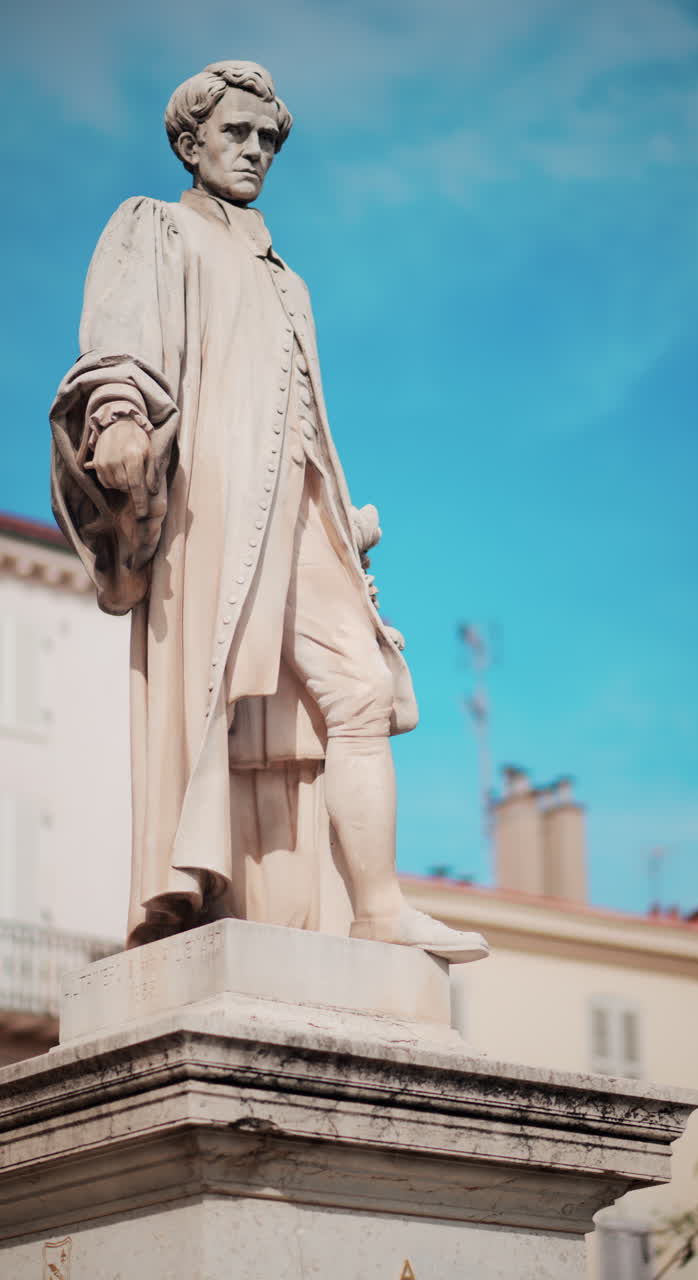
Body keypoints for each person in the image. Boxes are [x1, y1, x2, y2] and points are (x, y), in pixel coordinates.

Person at [50, 60, 488, 963]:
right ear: (190, 142)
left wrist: (339, 513)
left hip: (304, 515)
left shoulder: (291, 281)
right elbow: (120, 338)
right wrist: (121, 415)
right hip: (217, 511)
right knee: (215, 702)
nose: (255, 151)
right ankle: (206, 894)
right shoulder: (157, 230)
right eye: (237, 134)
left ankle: (376, 908)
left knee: (359, 691)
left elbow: (301, 409)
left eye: (268, 140)